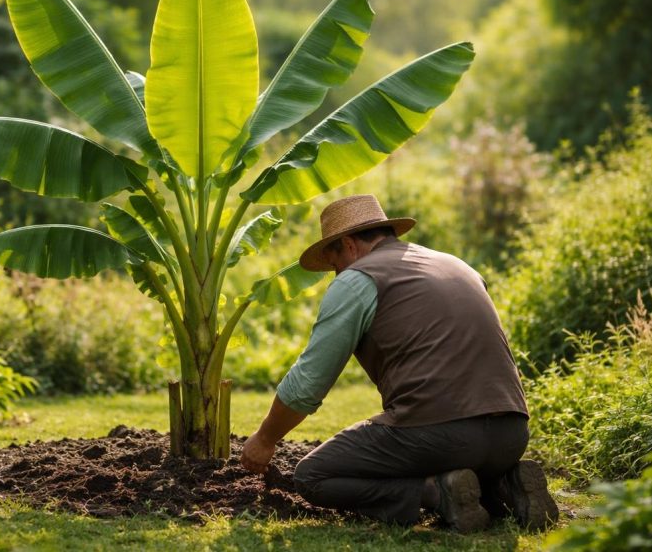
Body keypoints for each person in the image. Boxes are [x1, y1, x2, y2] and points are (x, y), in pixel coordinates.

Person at [239, 194, 558, 532]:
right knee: (452, 451)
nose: (337, 275)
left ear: (348, 245)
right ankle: (504, 486)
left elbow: (308, 384)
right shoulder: (456, 264)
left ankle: (438, 494)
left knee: (313, 475)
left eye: (334, 266)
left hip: (442, 434)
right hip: (512, 431)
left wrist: (265, 439)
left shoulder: (358, 279)